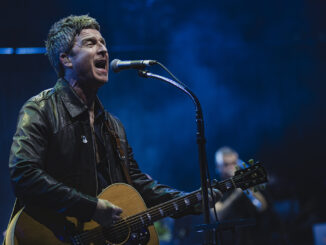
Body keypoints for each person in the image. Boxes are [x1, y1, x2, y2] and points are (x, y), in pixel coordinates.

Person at [5, 15, 220, 244]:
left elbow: (136, 183)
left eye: (103, 42)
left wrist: (190, 200)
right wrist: (92, 208)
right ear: (66, 59)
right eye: (91, 43)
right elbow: (24, 175)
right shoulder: (41, 109)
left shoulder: (112, 125)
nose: (103, 50)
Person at [213, 146, 268, 245]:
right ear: (218, 167)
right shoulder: (215, 189)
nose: (231, 167)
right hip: (230, 240)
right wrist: (236, 194)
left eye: (234, 163)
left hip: (254, 238)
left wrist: (247, 186)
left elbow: (262, 206)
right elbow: (218, 215)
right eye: (226, 164)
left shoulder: (246, 184)